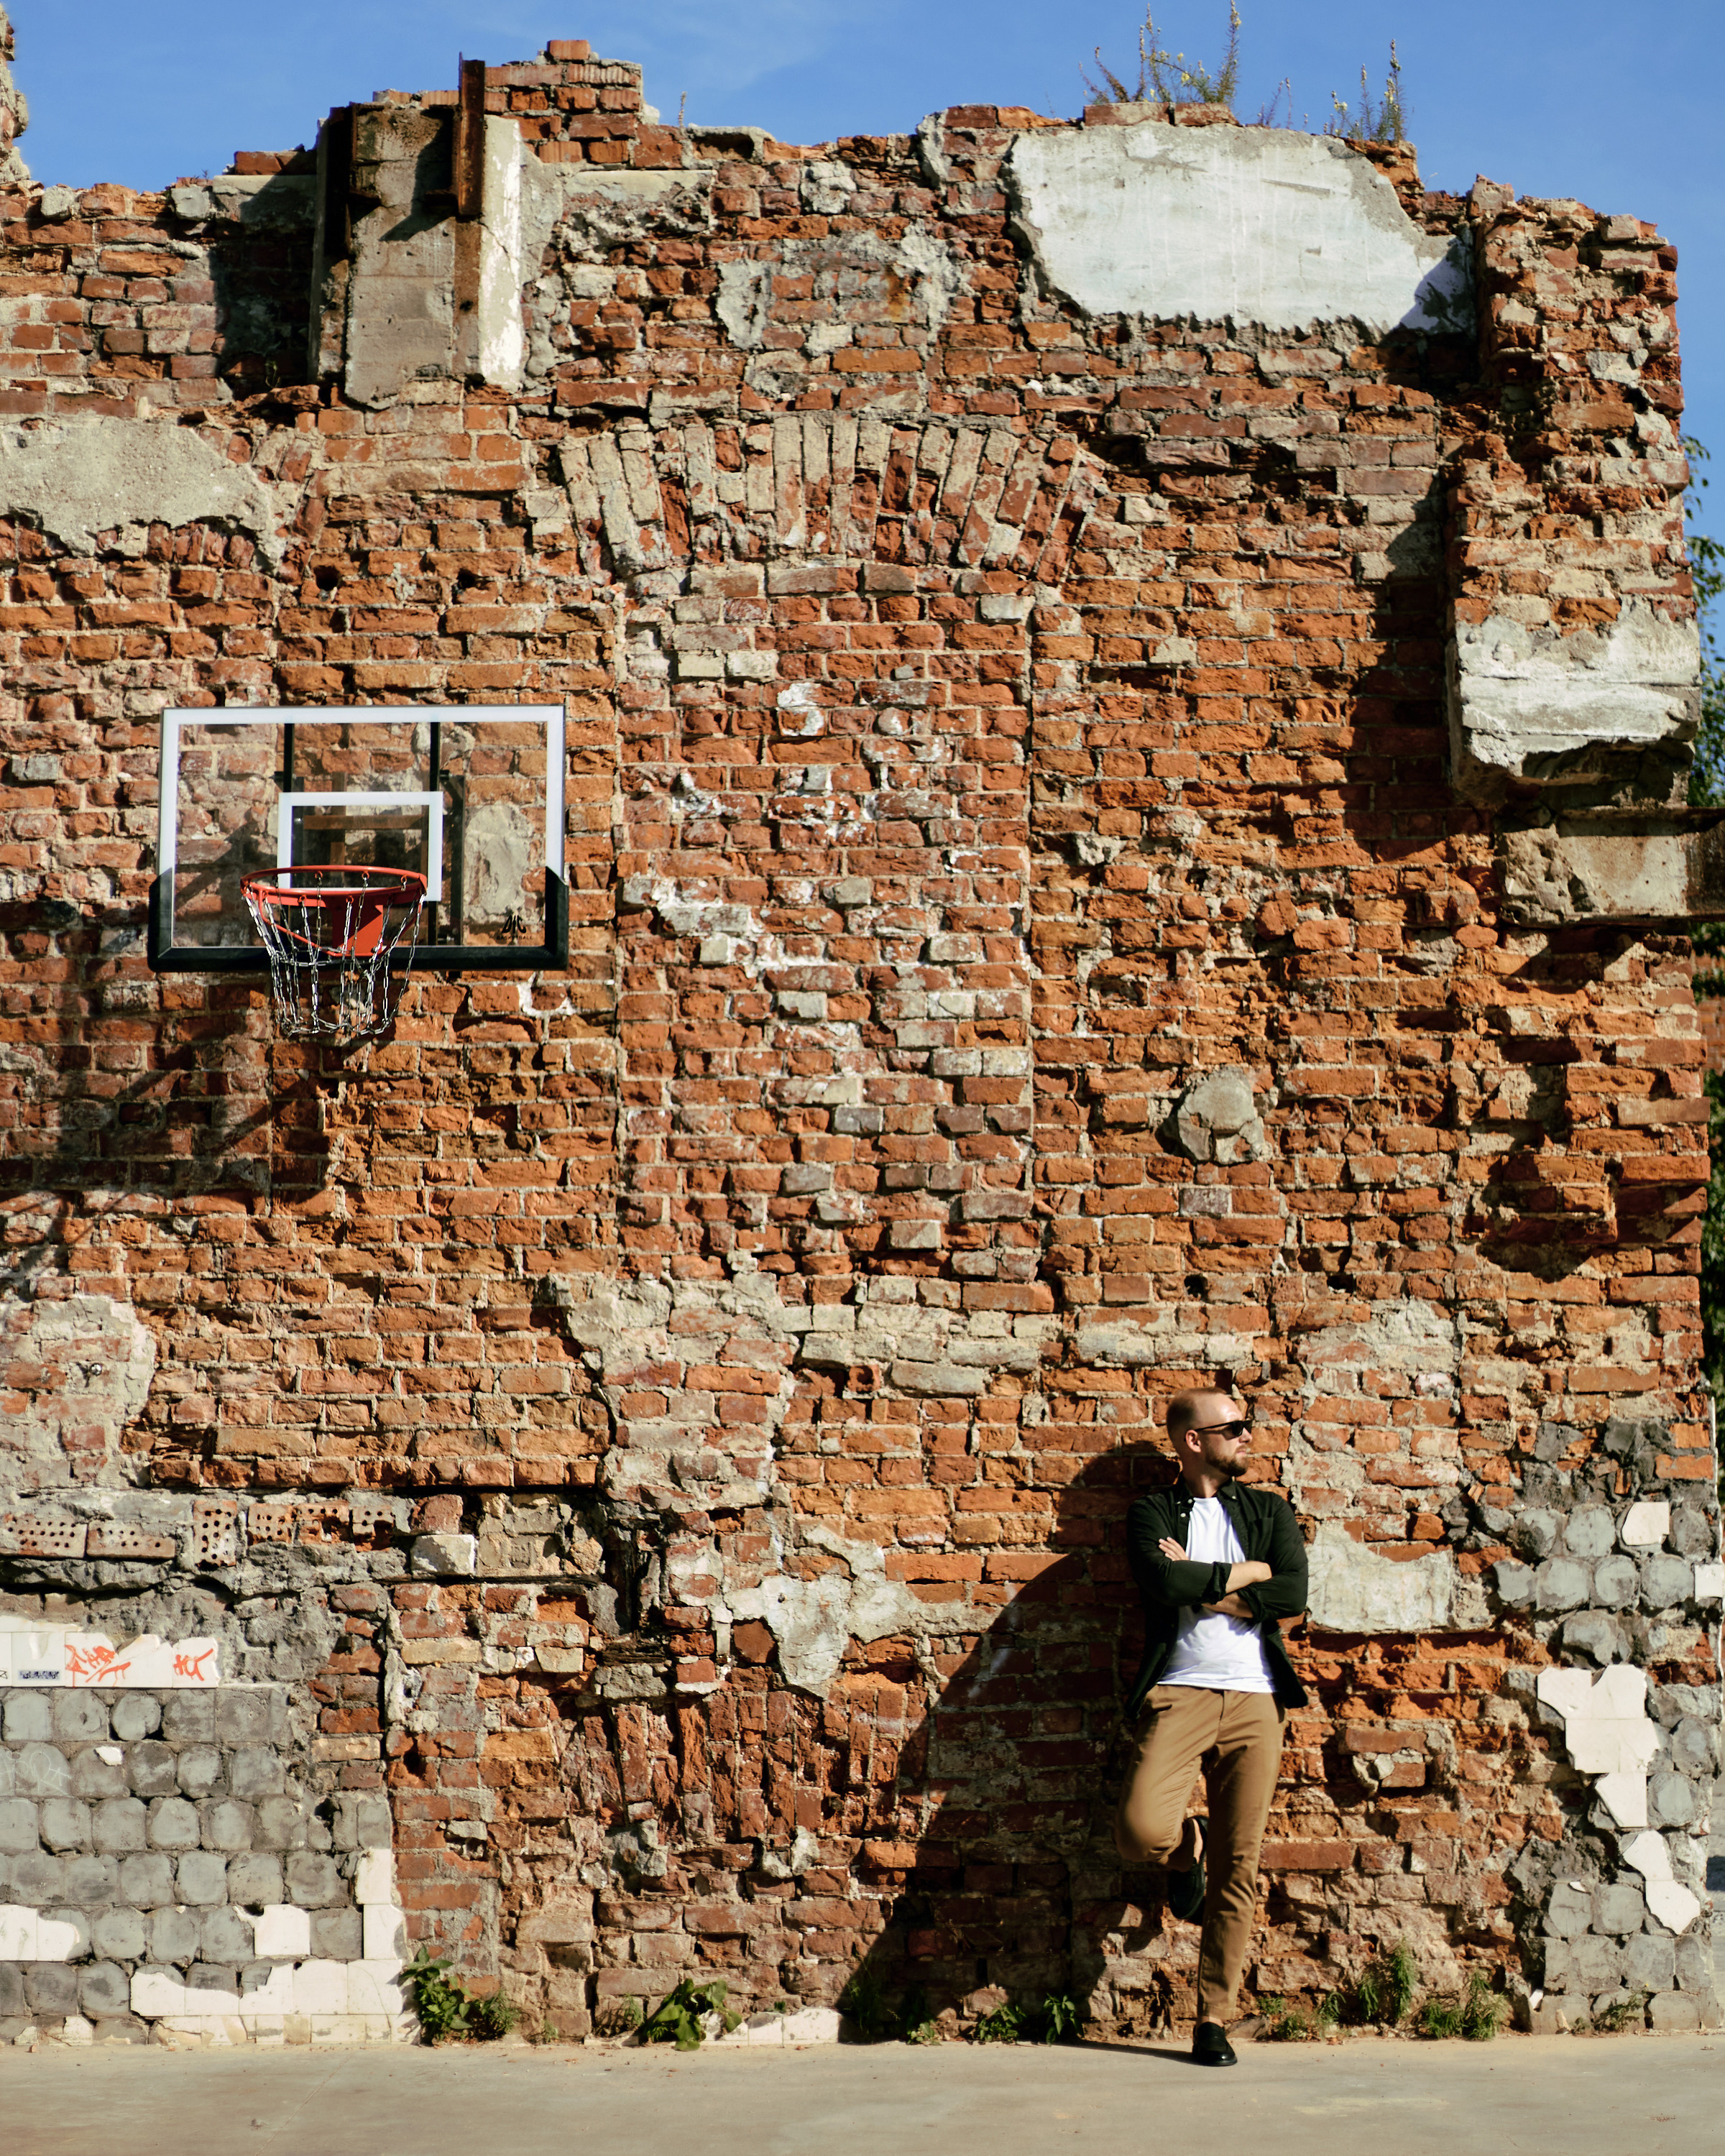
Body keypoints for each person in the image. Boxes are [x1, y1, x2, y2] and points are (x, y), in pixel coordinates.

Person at [1116, 1386, 1310, 2067]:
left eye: (1247, 1425)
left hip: (1257, 1698)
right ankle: (1184, 1846)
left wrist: (1208, 1581)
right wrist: (1246, 1578)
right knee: (1141, 1831)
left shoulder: (1267, 1510)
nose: (1247, 1435)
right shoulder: (1151, 1513)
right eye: (1233, 1427)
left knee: (1240, 1865)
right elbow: (1163, 1586)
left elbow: (1292, 1592)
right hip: (1180, 1691)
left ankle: (1213, 2019)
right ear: (1193, 1440)